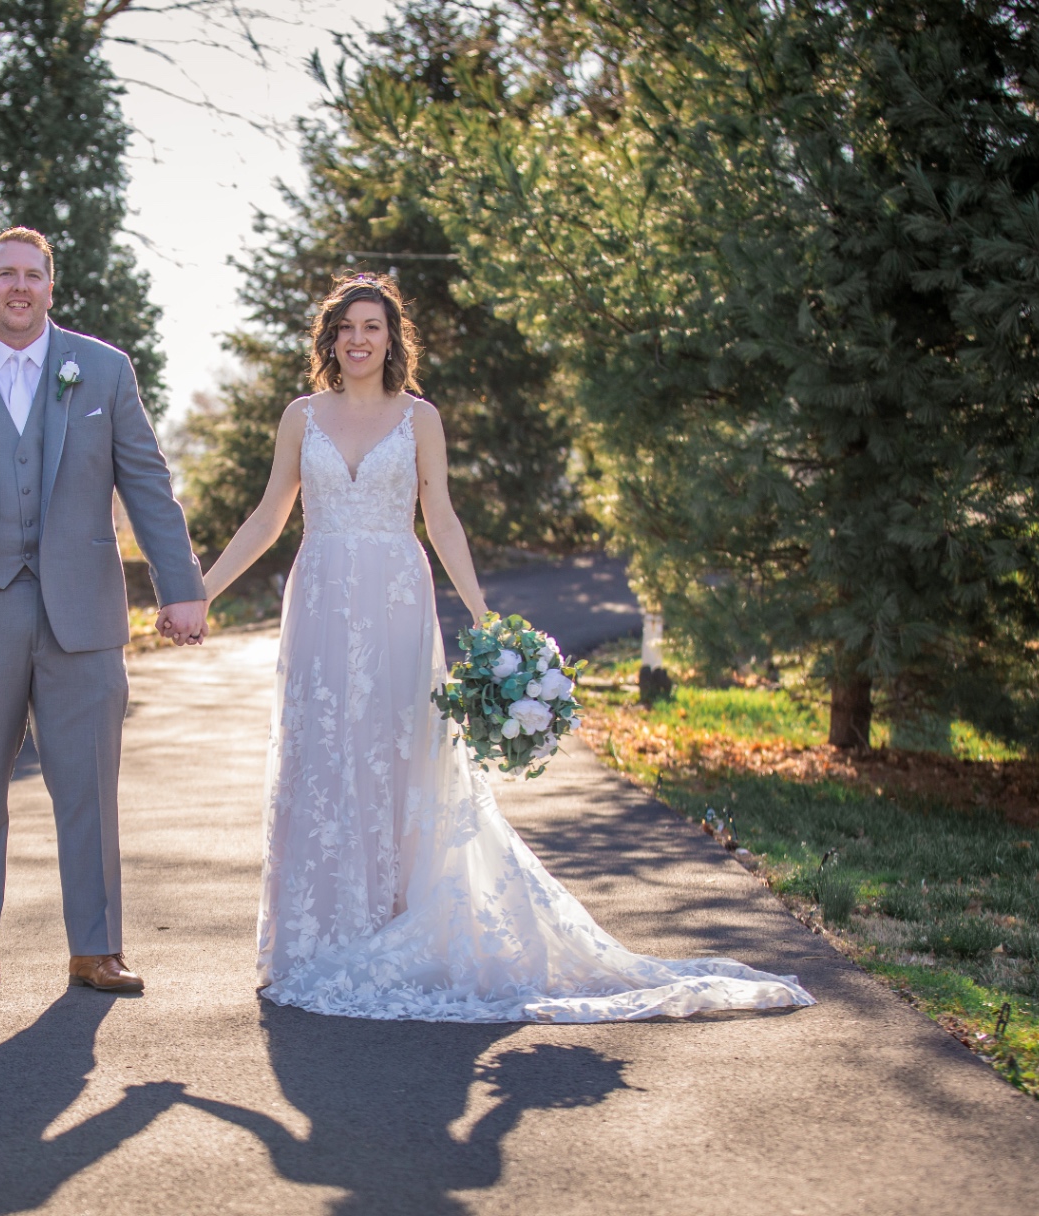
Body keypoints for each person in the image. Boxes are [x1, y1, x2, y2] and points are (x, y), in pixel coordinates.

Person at [200, 273, 816, 1021]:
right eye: (346, 327)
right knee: (324, 750)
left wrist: (486, 616)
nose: (359, 339)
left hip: (398, 594)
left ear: (392, 340)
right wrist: (203, 592)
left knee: (399, 752)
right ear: (328, 340)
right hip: (322, 593)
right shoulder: (301, 417)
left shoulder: (418, 417)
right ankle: (318, 935)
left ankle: (393, 919)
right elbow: (270, 515)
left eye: (373, 326)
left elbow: (444, 520)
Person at [0, 226, 208, 997]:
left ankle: (96, 949)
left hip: (80, 614)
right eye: (5, 274)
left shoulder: (101, 368)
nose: (20, 287)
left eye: (34, 275)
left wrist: (180, 585)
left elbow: (147, 483)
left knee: (89, 786)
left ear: (50, 289)